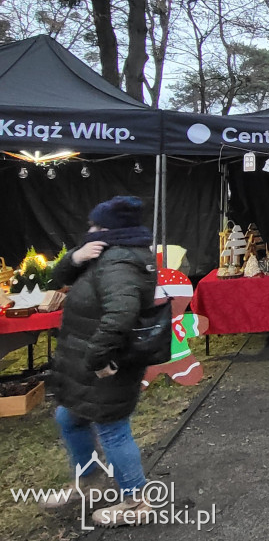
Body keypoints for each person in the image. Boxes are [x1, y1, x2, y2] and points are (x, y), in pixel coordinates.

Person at [43, 196, 158, 527]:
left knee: (113, 430)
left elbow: (121, 314)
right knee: (71, 418)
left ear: (112, 230)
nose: (89, 230)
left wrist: (97, 358)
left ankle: (136, 502)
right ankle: (90, 480)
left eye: (95, 226)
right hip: (89, 366)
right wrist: (75, 256)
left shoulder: (120, 262)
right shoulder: (104, 255)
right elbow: (56, 279)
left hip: (107, 365)